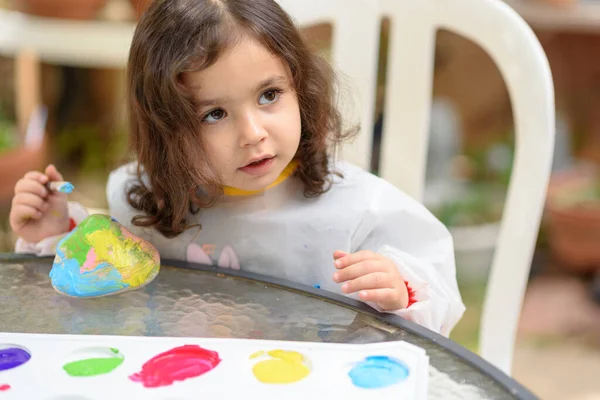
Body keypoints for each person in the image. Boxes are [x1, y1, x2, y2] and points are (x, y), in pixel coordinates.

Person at [9, 0, 465, 336]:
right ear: (166, 130)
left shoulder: (358, 208)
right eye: (214, 114)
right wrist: (55, 233)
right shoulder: (145, 201)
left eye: (269, 95)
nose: (253, 133)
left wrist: (400, 288)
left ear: (299, 87)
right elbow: (93, 292)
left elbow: (438, 296)